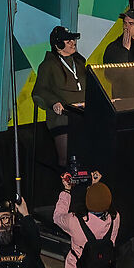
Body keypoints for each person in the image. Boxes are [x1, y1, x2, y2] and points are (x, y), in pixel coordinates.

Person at [32, 28, 91, 173]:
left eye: (73, 39)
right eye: (68, 40)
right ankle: (65, 191)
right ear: (58, 45)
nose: (73, 43)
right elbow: (39, 91)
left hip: (83, 117)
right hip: (63, 119)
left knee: (87, 158)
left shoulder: (79, 63)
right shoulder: (48, 66)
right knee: (66, 162)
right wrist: (54, 103)